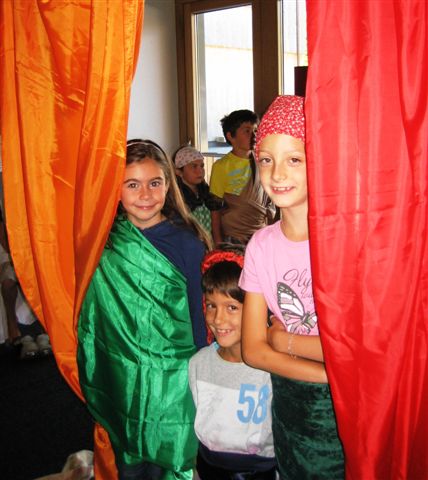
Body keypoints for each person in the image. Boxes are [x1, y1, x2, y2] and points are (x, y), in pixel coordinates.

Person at [77, 140, 212, 480]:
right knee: (130, 460)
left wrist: (203, 370)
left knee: (170, 458)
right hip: (123, 373)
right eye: (132, 185)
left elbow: (200, 314)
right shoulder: (105, 240)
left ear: (168, 184)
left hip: (174, 378)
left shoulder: (187, 242)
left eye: (154, 183)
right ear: (116, 189)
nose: (146, 195)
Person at [239, 96, 344, 479]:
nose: (277, 173)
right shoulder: (261, 246)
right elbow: (253, 350)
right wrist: (332, 375)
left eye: (294, 159)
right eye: (267, 160)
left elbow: (357, 351)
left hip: (347, 417)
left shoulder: (344, 241)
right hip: (292, 411)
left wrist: (282, 340)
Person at [189, 246, 276, 480]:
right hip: (209, 469)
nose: (218, 319)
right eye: (211, 305)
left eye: (232, 308)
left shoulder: (272, 368)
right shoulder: (199, 364)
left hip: (260, 472)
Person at [209, 110, 274, 246]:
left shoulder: (263, 161)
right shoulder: (221, 166)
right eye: (247, 131)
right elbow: (215, 208)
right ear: (230, 136)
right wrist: (218, 242)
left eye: (255, 130)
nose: (254, 135)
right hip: (233, 238)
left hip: (261, 235)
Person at [173, 145, 222, 237]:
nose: (200, 171)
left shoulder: (206, 192)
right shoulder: (176, 199)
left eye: (202, 166)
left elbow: (216, 226)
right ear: (179, 172)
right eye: (194, 166)